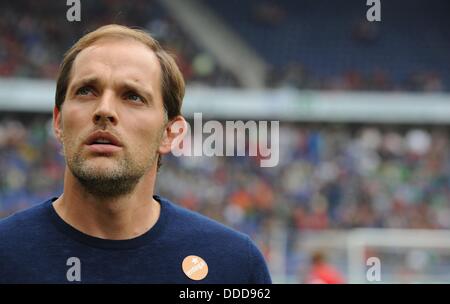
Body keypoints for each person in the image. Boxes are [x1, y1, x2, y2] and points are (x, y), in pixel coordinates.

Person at [0, 24, 271, 284]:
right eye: (86, 91)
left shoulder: (234, 265)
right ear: (58, 122)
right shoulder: (7, 253)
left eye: (132, 96)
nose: (104, 109)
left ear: (170, 133)